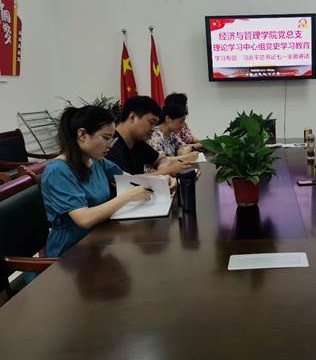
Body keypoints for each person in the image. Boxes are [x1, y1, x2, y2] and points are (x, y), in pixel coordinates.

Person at [41, 106, 152, 257]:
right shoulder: (58, 171)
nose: (110, 145)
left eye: (112, 139)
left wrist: (162, 180)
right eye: (105, 138)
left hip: (98, 240)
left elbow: (130, 180)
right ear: (82, 134)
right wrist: (128, 196)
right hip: (70, 253)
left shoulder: (96, 160)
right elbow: (84, 219)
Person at [106, 96, 192, 175]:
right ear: (132, 117)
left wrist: (162, 166)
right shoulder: (110, 145)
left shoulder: (137, 141)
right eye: (151, 123)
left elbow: (160, 159)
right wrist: (167, 171)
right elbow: (127, 181)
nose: (153, 128)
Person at [146, 101, 198, 172]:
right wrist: (187, 157)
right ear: (168, 118)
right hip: (155, 176)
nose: (183, 125)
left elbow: (184, 147)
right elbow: (162, 161)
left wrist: (182, 151)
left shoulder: (171, 134)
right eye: (181, 121)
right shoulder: (154, 136)